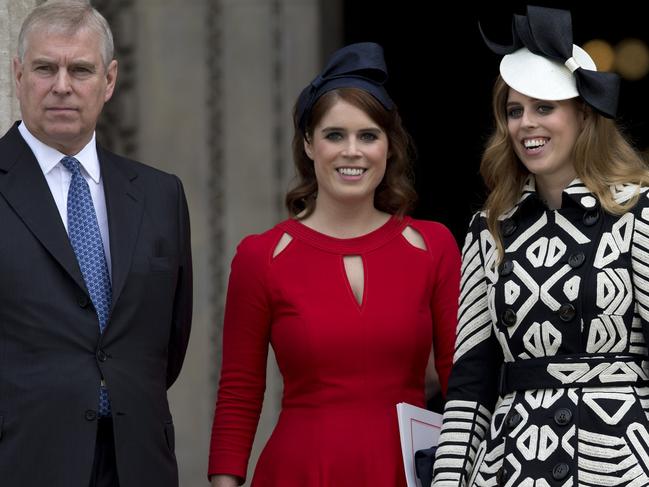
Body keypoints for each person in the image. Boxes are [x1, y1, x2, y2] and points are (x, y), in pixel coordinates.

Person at [208, 42, 460, 486]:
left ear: (388, 146)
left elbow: (462, 384)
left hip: (404, 471)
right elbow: (239, 391)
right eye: (334, 135)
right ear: (308, 143)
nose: (352, 151)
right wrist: (225, 482)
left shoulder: (433, 246)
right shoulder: (261, 256)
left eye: (368, 135)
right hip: (298, 471)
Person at [432, 5, 649, 487]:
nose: (525, 123)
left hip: (616, 464)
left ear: (584, 114)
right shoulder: (488, 228)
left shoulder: (637, 213)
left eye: (543, 107)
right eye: (514, 111)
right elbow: (471, 384)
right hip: (512, 467)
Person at [1, 2, 192, 486]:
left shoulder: (160, 194)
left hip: (137, 461)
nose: (62, 85)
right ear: (18, 74)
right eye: (46, 68)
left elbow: (168, 341)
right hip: (23, 460)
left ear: (108, 81)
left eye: (80, 69)